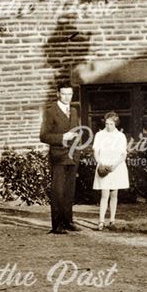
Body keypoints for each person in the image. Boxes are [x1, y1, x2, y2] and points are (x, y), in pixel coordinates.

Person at [39, 81, 81, 234]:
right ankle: (57, 225)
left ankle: (68, 222)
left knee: (69, 191)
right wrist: (63, 136)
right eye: (64, 94)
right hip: (58, 156)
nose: (67, 97)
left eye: (70, 94)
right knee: (58, 191)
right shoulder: (51, 111)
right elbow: (43, 136)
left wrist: (78, 149)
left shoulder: (74, 111)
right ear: (58, 94)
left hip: (73, 156)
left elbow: (78, 131)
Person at [92, 112, 129, 230]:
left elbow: (123, 154)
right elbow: (96, 152)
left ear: (116, 124)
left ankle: (112, 220)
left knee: (114, 194)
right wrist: (100, 163)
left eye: (111, 124)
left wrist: (115, 165)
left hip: (116, 167)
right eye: (107, 124)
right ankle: (101, 221)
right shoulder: (99, 135)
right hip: (104, 166)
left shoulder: (120, 136)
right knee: (104, 194)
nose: (108, 126)